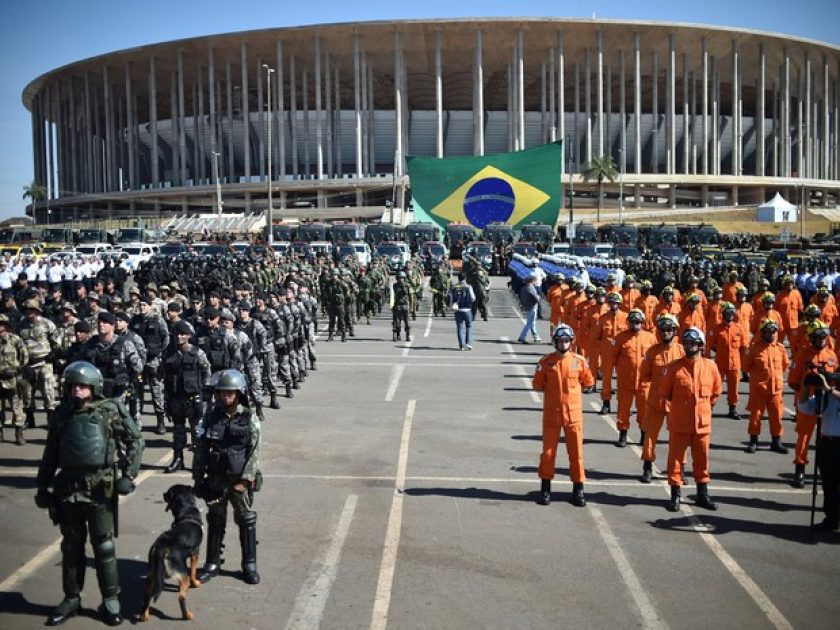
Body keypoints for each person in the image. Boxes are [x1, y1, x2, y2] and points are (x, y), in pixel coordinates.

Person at [35, 362, 144, 626]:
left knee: (104, 546)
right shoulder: (62, 414)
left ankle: (110, 600)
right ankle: (71, 598)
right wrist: (43, 486)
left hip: (99, 490)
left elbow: (135, 440)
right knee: (71, 546)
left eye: (83, 386)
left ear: (94, 387)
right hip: (68, 490)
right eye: (73, 385)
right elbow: (50, 453)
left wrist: (128, 476)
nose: (78, 390)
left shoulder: (110, 410)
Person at [193, 369, 261, 585]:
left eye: (230, 392)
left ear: (239, 393)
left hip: (239, 480)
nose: (226, 397)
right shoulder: (211, 417)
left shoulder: (250, 418)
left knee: (246, 520)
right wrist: (198, 478)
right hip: (216, 478)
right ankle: (212, 563)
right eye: (222, 392)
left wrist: (245, 480)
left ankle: (249, 565)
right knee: (215, 519)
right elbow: (201, 449)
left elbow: (254, 451)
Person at [532, 325, 595, 507]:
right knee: (548, 453)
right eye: (560, 341)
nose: (564, 344)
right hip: (552, 415)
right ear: (555, 342)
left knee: (576, 454)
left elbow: (588, 381)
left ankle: (578, 489)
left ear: (571, 342)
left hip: (573, 415)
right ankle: (545, 488)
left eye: (567, 341)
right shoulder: (546, 362)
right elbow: (537, 384)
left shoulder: (579, 361)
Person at [660, 327, 722, 512]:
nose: (688, 346)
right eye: (686, 343)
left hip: (702, 425)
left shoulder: (710, 367)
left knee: (702, 460)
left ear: (701, 346)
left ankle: (702, 494)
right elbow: (666, 393)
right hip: (680, 423)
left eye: (692, 343)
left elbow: (715, 392)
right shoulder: (674, 368)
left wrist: (703, 409)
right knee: (676, 461)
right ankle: (675, 495)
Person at [162, 320, 212, 473]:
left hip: (193, 398)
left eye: (183, 334)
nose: (179, 337)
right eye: (177, 334)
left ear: (189, 336)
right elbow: (165, 378)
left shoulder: (197, 353)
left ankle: (199, 463)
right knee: (178, 433)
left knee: (197, 434)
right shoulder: (168, 354)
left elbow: (206, 373)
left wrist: (204, 396)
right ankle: (178, 460)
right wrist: (167, 400)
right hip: (176, 398)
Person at [797, 370, 840, 532]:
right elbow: (804, 407)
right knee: (829, 485)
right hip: (828, 445)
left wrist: (828, 388)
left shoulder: (830, 392)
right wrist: (806, 388)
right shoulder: (826, 397)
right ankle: (832, 519)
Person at [743, 318, 790, 454]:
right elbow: (746, 366)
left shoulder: (780, 349)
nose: (772, 334)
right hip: (759, 390)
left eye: (773, 332)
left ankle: (776, 442)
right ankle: (753, 441)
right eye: (768, 332)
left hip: (776, 390)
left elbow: (785, 365)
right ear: (762, 333)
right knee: (755, 417)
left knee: (776, 417)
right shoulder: (754, 348)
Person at [0, 313, 29, 444]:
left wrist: (17, 370)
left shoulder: (15, 340)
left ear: (6, 326)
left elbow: (24, 357)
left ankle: (19, 432)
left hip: (12, 379)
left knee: (17, 407)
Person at [450, 272, 476, 350]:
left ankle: (461, 345)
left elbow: (451, 299)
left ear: (458, 278)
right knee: (469, 326)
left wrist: (452, 306)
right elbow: (473, 298)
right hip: (467, 309)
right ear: (465, 278)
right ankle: (468, 343)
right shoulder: (468, 287)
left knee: (460, 327)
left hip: (458, 309)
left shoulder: (454, 287)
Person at [517, 275, 542, 344]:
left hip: (527, 306)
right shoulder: (531, 288)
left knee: (532, 323)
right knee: (529, 323)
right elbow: (536, 298)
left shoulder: (524, 288)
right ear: (532, 281)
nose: (535, 283)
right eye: (535, 281)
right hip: (532, 307)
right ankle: (522, 337)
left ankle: (536, 336)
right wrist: (539, 297)